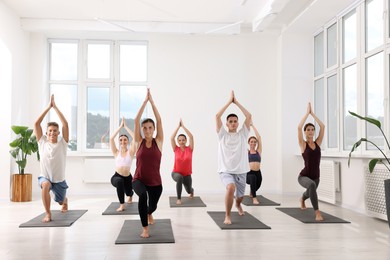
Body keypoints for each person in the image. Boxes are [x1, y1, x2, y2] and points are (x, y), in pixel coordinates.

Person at [216, 90, 252, 225]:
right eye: (230, 121)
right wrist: (228, 102)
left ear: (238, 123)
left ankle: (238, 204)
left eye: (235, 121)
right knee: (230, 187)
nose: (233, 123)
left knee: (240, 197)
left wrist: (236, 103)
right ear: (226, 124)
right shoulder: (222, 135)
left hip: (241, 171)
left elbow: (248, 116)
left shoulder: (243, 134)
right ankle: (227, 215)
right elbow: (217, 116)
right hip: (226, 170)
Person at [132, 88, 163, 238]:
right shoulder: (139, 142)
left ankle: (150, 212)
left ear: (154, 129)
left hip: (156, 182)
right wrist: (145, 103)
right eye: (145, 128)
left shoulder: (159, 142)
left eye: (150, 128)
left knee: (153, 205)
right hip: (138, 179)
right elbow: (136, 120)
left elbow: (159, 120)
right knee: (143, 197)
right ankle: (145, 228)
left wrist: (153, 103)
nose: (147, 130)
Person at [34, 94, 69, 223]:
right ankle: (48, 214)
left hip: (59, 180)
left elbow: (65, 124)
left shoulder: (62, 144)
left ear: (58, 133)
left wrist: (56, 108)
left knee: (60, 201)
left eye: (55, 130)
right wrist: (48, 107)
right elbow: (36, 123)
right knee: (45, 185)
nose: (52, 132)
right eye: (50, 130)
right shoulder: (42, 142)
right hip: (45, 176)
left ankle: (64, 201)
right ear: (46, 132)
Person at [297, 102, 325, 221]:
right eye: (308, 130)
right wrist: (306, 114)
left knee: (310, 191)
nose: (310, 131)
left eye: (312, 129)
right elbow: (299, 127)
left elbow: (322, 126)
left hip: (316, 177)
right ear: (305, 132)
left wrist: (312, 114)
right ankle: (317, 212)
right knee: (311, 186)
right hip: (304, 176)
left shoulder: (317, 143)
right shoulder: (303, 144)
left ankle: (302, 199)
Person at [109, 117, 135, 212]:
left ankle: (130, 195)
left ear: (128, 141)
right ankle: (122, 205)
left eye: (125, 139)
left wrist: (126, 127)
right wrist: (120, 127)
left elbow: (135, 138)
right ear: (119, 142)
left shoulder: (131, 152)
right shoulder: (116, 152)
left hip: (128, 177)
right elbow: (111, 139)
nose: (123, 141)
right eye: (121, 140)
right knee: (119, 181)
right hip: (117, 176)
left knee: (128, 192)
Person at [170, 119, 195, 205]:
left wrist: (183, 127)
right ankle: (179, 199)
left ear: (186, 141)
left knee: (188, 190)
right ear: (178, 141)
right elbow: (171, 138)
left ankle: (192, 191)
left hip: (187, 175)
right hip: (176, 173)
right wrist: (178, 127)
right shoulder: (176, 149)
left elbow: (191, 137)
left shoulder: (190, 149)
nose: (181, 142)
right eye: (179, 140)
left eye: (183, 140)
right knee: (179, 178)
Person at [246, 122, 262, 204]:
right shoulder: (246, 152)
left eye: (254, 142)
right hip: (249, 173)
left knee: (258, 185)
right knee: (252, 178)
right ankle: (254, 198)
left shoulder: (258, 151)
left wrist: (252, 125)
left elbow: (259, 138)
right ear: (249, 143)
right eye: (251, 142)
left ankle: (252, 191)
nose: (253, 143)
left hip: (258, 172)